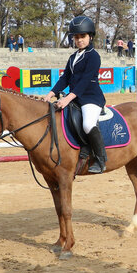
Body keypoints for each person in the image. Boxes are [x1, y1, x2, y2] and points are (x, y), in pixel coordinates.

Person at [42, 16, 107, 173]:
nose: (79, 40)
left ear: (90, 36)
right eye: (76, 37)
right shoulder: (73, 57)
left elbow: (85, 82)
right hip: (76, 97)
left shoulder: (93, 56)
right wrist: (50, 94)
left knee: (88, 124)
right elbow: (65, 78)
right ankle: (83, 146)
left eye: (82, 37)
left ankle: (101, 158)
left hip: (91, 98)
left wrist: (67, 98)